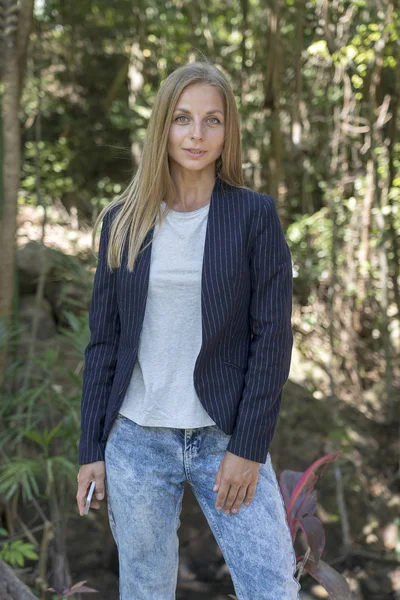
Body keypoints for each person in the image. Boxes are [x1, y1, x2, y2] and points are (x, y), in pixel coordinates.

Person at [76, 59, 301, 600]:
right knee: (146, 590)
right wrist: (90, 449)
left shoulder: (253, 216)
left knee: (273, 588)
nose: (196, 134)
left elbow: (271, 340)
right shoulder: (124, 220)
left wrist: (248, 447)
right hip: (135, 438)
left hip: (224, 435)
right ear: (163, 127)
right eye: (182, 119)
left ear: (229, 132)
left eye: (212, 120)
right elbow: (104, 343)